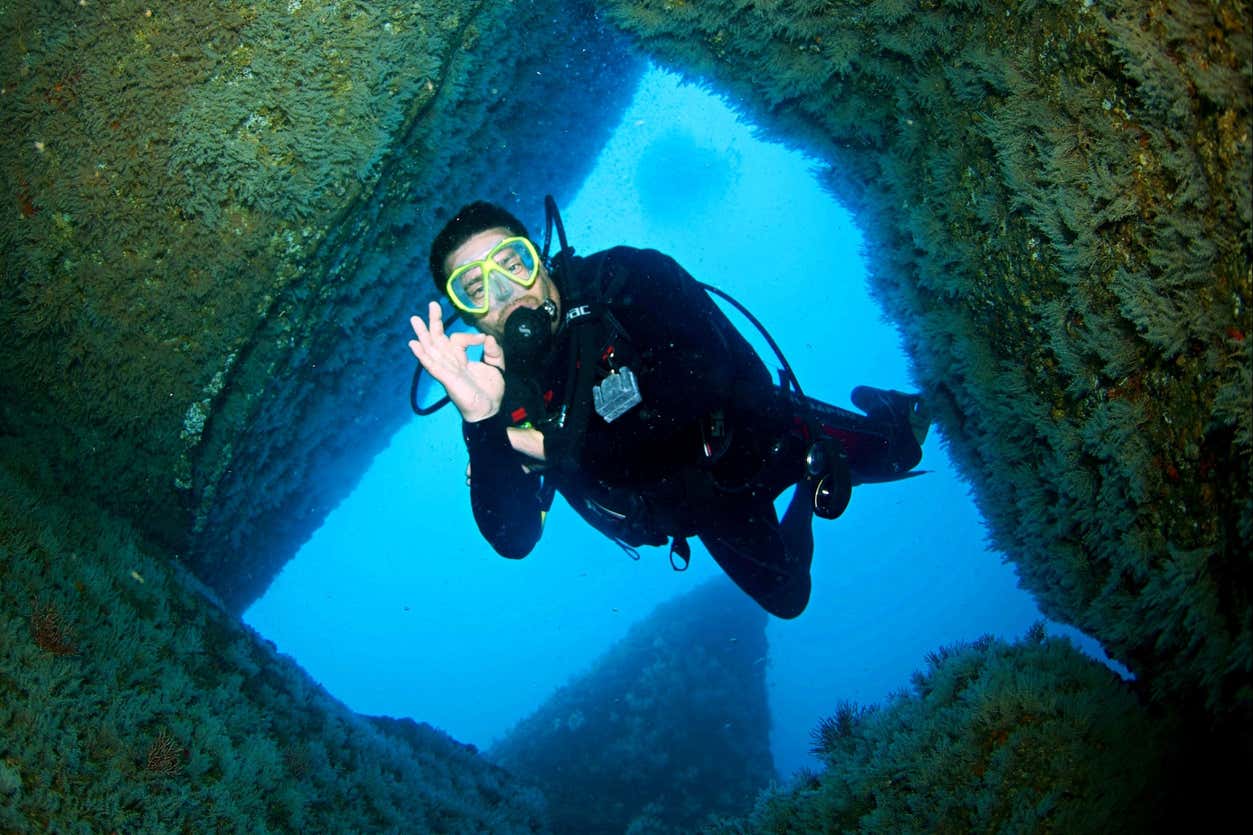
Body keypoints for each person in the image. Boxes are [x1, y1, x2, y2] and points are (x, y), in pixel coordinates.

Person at [408, 199, 929, 619]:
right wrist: (480, 422)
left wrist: (557, 448)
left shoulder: (627, 279)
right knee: (789, 597)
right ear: (470, 318)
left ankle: (871, 421)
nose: (505, 294)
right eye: (476, 288)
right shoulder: (498, 394)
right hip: (704, 507)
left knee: (899, 451)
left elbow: (701, 380)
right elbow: (514, 537)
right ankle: (815, 486)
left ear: (538, 258)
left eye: (512, 264)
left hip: (760, 437)